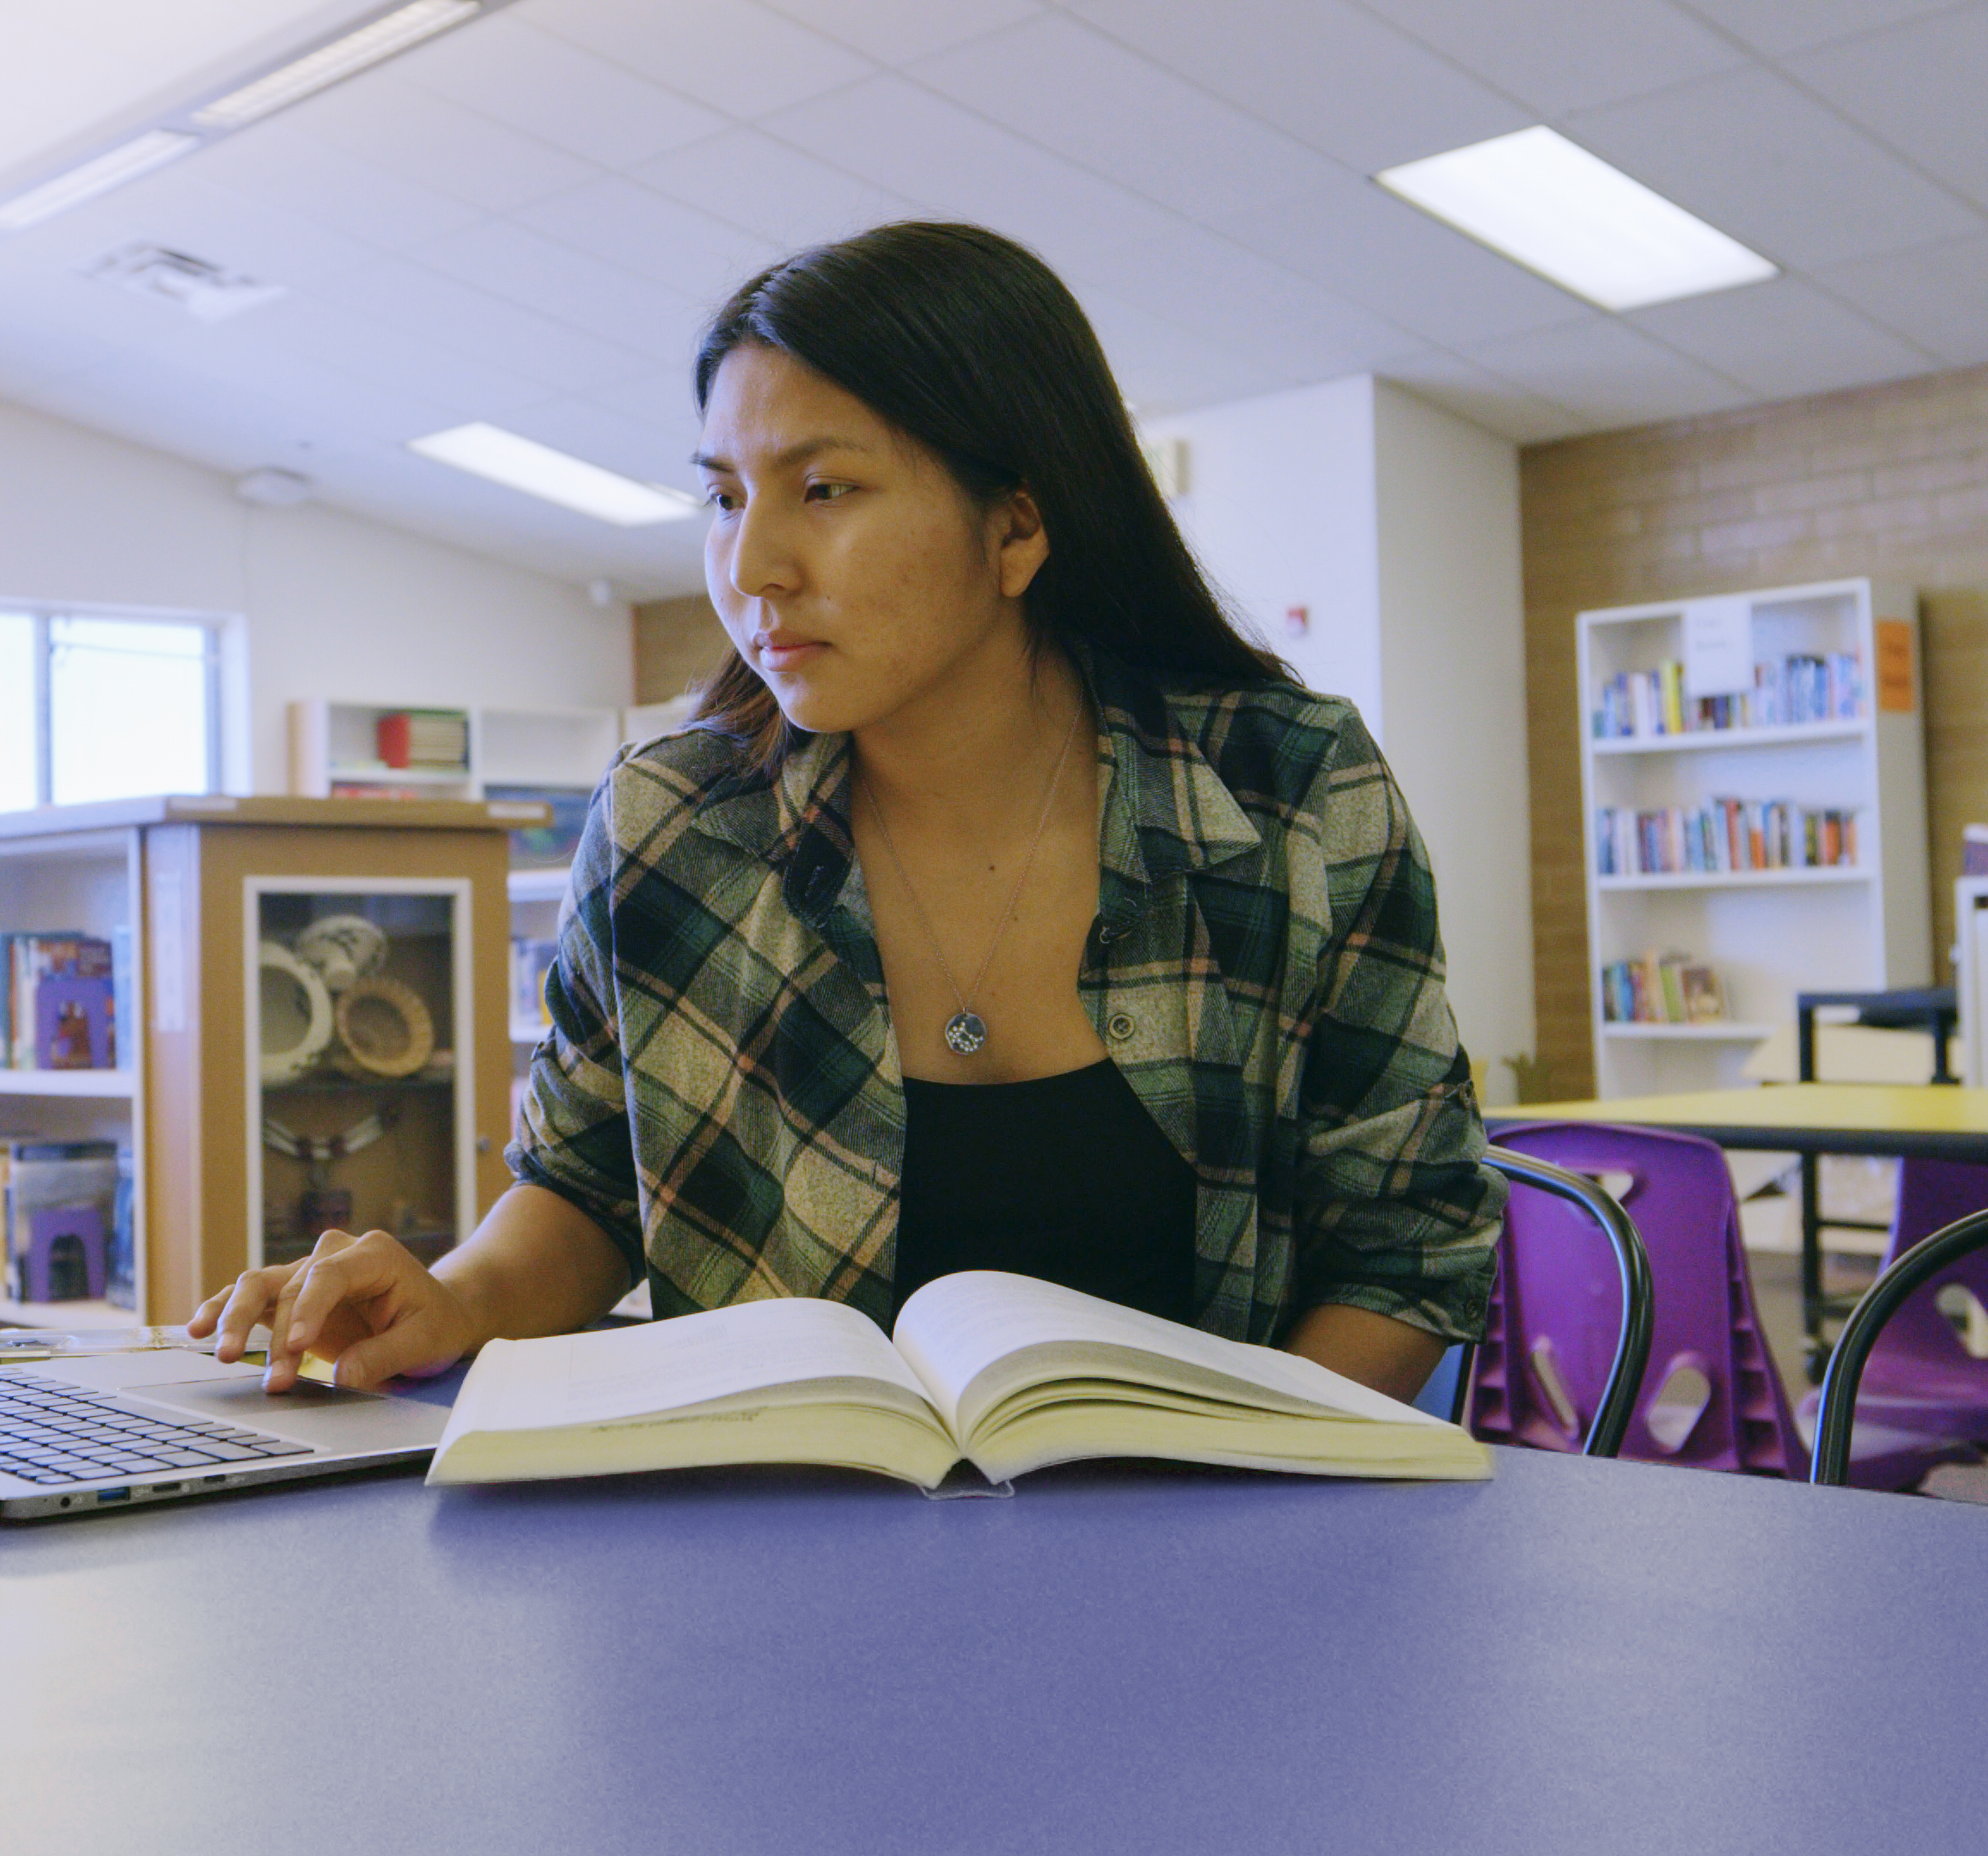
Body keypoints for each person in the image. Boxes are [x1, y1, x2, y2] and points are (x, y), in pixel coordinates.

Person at [192, 221, 1503, 1405]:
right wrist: (456, 1295)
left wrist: (1238, 1475)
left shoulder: (1286, 795)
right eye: (722, 495)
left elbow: (1406, 1246)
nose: (752, 564)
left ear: (1018, 527)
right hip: (789, 1566)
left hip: (1215, 1578)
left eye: (824, 489)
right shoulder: (671, 829)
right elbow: (590, 1188)